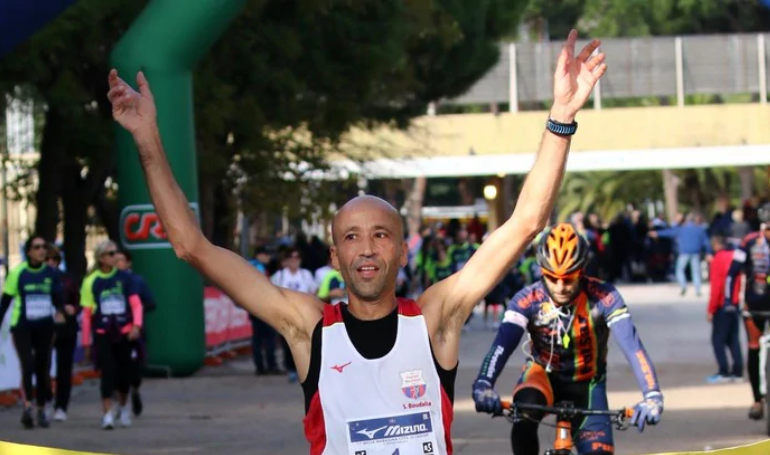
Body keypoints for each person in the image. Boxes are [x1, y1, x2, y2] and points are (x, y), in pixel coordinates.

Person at [107, 29, 606, 453]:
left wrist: (561, 115)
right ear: (334, 255)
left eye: (381, 235)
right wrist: (147, 139)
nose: (367, 248)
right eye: (352, 237)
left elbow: (525, 222)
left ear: (402, 249)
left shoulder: (437, 317)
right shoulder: (307, 329)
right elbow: (190, 245)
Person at [472, 223, 663, 455]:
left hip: (588, 383)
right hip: (541, 377)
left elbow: (633, 348)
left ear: (582, 271)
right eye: (552, 278)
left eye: (569, 279)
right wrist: (484, 383)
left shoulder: (604, 296)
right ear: (542, 272)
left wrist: (652, 394)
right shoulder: (527, 299)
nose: (561, 287)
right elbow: (502, 345)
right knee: (523, 419)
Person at [0, 236, 63, 429]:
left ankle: (42, 409)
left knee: (42, 368)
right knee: (27, 366)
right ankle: (28, 408)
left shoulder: (51, 274)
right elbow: (6, 302)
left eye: (44, 247)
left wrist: (60, 312)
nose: (41, 251)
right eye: (37, 247)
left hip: (44, 327)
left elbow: (57, 297)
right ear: (28, 252)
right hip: (23, 327)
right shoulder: (18, 273)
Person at [81, 240, 143, 429]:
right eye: (110, 253)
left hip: (124, 333)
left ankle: (123, 408)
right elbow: (86, 315)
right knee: (107, 373)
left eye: (115, 253)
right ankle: (107, 414)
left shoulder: (125, 278)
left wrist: (136, 326)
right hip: (103, 333)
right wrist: (86, 342)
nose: (115, 256)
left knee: (124, 375)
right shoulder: (91, 281)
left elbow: (136, 305)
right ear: (101, 258)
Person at [724, 202, 770, 420]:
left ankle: (756, 401)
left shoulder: (749, 241)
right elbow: (732, 273)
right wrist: (729, 299)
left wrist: (728, 300)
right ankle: (757, 399)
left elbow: (733, 273)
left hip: (755, 303)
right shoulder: (748, 241)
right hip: (755, 305)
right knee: (754, 346)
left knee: (754, 348)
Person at [115, 250, 157, 417]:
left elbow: (152, 303)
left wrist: (134, 313)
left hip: (135, 332)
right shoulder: (108, 281)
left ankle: (134, 390)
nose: (116, 263)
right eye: (114, 259)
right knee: (115, 368)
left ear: (128, 263)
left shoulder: (137, 281)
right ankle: (119, 401)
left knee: (134, 367)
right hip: (113, 333)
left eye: (120, 260)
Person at [46, 245, 81, 422]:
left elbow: (77, 301)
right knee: (42, 366)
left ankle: (61, 406)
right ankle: (45, 401)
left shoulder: (67, 280)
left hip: (66, 328)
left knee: (64, 368)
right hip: (44, 327)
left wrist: (71, 309)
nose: (50, 262)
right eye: (47, 259)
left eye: (53, 259)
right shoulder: (37, 279)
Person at [705, 235, 742, 384]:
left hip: (722, 305)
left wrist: (711, 308)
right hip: (734, 303)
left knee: (717, 340)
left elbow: (717, 287)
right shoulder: (735, 257)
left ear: (715, 245)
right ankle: (738, 371)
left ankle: (724, 371)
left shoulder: (717, 260)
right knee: (733, 339)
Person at [649, 213, 712, 296]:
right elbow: (706, 242)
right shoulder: (699, 229)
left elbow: (669, 232)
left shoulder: (682, 229)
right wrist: (708, 253)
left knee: (680, 270)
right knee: (696, 272)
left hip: (684, 253)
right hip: (696, 253)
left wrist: (657, 233)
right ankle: (697, 290)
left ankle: (683, 286)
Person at [247, 246, 280, 376]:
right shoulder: (258, 268)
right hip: (262, 306)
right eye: (267, 255)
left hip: (253, 305)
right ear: (259, 255)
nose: (269, 258)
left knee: (258, 338)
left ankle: (261, 366)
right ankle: (270, 365)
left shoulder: (250, 265)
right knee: (268, 337)